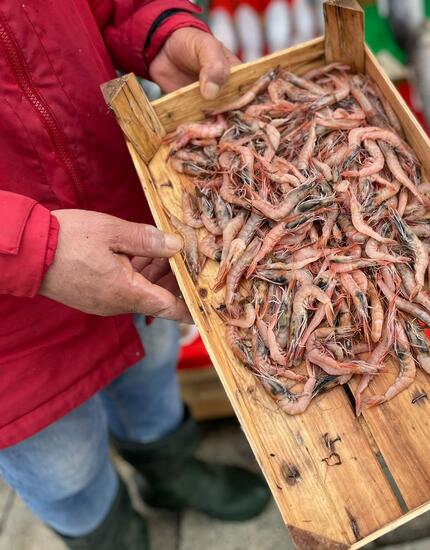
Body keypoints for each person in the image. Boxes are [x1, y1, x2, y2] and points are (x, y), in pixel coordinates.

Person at [0, 2, 270, 549]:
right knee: (64, 469)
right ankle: (106, 535)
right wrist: (31, 248)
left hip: (129, 227)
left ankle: (169, 473)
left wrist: (158, 31)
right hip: (11, 339)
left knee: (153, 387)